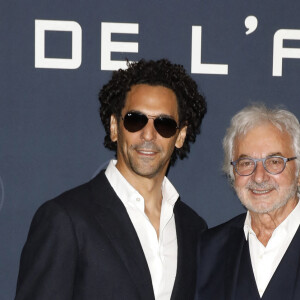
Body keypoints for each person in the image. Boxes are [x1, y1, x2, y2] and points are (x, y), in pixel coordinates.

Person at [15, 59, 207, 300]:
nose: (148, 134)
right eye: (135, 120)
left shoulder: (194, 229)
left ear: (180, 136)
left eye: (164, 124)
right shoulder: (65, 218)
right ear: (115, 127)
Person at [196, 104, 300, 300]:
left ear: (298, 172)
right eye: (246, 163)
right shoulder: (209, 250)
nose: (259, 177)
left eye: (274, 161)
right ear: (233, 174)